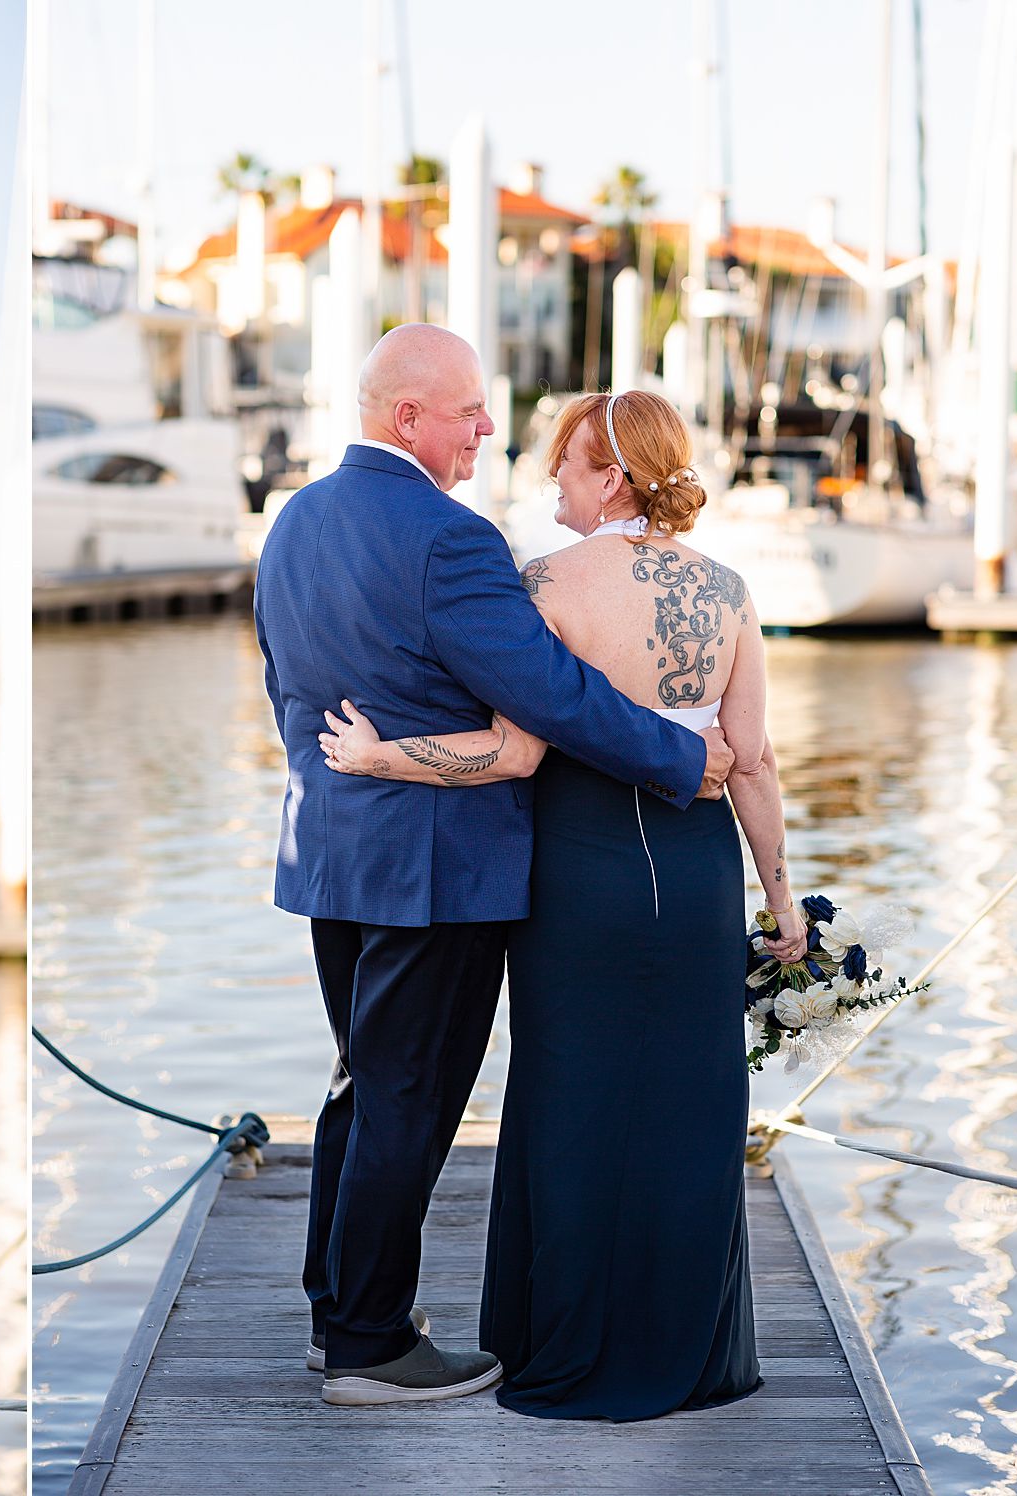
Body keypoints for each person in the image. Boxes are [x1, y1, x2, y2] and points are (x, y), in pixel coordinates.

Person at [254, 326, 738, 1408]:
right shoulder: (448, 538)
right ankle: (370, 1344)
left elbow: (284, 681)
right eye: (467, 409)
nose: (485, 426)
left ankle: (338, 1309)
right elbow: (548, 694)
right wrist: (677, 753)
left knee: (359, 1085)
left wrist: (344, 785)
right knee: (408, 1099)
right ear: (405, 417)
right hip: (439, 866)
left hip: (332, 848)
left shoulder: (291, 520)